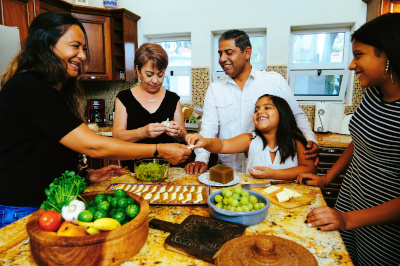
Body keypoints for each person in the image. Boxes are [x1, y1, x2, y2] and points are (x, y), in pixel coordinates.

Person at [0, 12, 190, 228]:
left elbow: (42, 152)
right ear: (46, 45)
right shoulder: (28, 88)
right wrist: (159, 150)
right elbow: (93, 146)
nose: (82, 56)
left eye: (84, 49)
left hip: (47, 205)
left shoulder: (50, 90)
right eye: (75, 46)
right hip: (20, 209)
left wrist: (85, 176)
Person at [297, 13, 400, 266]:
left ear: (386, 54)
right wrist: (326, 178)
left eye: (358, 55)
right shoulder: (374, 93)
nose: (352, 66)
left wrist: (349, 220)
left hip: (382, 224)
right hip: (350, 200)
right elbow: (360, 141)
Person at [185, 30, 319, 175]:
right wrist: (201, 159)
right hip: (228, 170)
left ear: (247, 52)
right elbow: (208, 130)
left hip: (270, 168)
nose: (222, 59)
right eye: (220, 53)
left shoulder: (274, 81)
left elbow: (296, 116)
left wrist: (310, 140)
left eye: (229, 52)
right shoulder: (215, 88)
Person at [186, 94, 316, 179]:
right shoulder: (250, 139)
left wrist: (273, 174)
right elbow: (222, 145)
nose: (260, 112)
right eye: (256, 110)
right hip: (255, 198)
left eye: (267, 107)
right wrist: (205, 141)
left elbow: (309, 169)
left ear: (283, 114)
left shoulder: (296, 140)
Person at [113, 43, 187, 171]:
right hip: (134, 171)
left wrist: (179, 132)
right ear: (138, 71)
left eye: (160, 75)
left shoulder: (173, 99)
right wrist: (143, 132)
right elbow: (117, 136)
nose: (155, 80)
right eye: (149, 74)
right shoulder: (124, 98)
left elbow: (184, 137)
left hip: (169, 171)